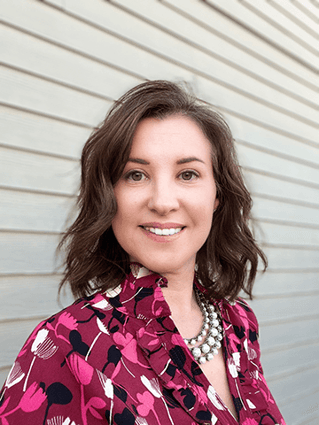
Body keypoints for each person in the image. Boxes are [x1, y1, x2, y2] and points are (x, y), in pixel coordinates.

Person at [0, 80, 285, 425]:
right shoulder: (66, 344)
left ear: (217, 196)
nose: (163, 202)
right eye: (136, 175)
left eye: (188, 174)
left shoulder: (239, 323)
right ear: (109, 197)